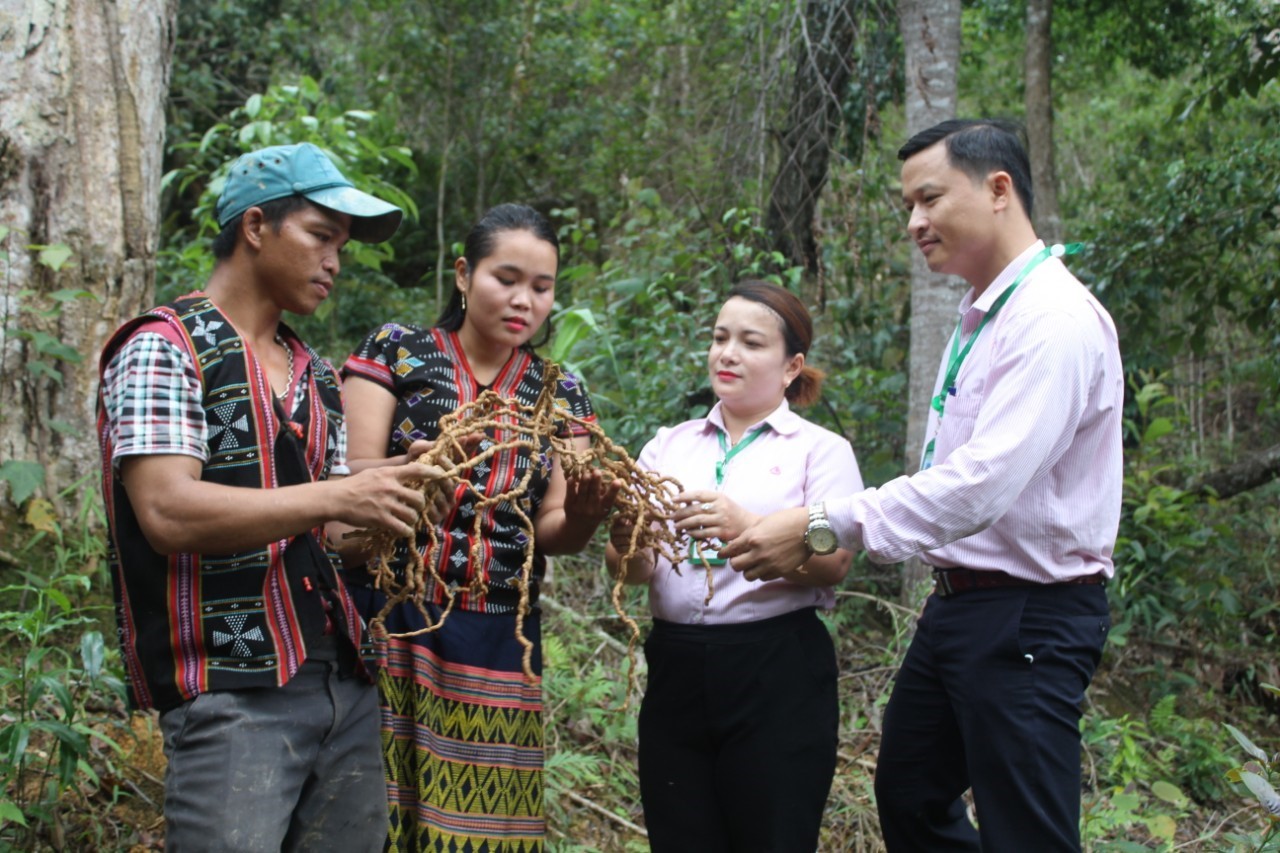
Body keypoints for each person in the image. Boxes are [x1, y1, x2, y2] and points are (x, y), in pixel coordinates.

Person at [721, 119, 1123, 851]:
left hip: (1029, 612)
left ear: (998, 188)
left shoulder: (1052, 320)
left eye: (929, 198)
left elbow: (978, 486)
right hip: (960, 607)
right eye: (908, 204)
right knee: (910, 789)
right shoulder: (985, 314)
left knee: (1025, 829)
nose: (915, 222)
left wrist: (823, 523)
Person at [97, 142, 444, 851]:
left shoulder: (315, 374)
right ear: (256, 227)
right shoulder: (165, 347)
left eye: (341, 245)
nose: (334, 262)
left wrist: (398, 504)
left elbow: (332, 536)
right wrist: (338, 494)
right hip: (231, 691)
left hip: (341, 683)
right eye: (321, 237)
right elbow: (165, 509)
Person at [338, 202, 618, 852]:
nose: (524, 300)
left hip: (501, 639)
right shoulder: (398, 352)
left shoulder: (560, 392)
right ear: (464, 274)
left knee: (485, 835)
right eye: (506, 278)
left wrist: (586, 511)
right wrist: (412, 480)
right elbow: (351, 485)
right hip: (389, 619)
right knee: (368, 821)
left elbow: (556, 527)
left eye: (542, 288)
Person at [605, 280, 863, 851]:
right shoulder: (668, 446)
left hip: (777, 667)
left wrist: (746, 526)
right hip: (676, 667)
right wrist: (627, 540)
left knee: (773, 837)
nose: (728, 353)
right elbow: (631, 568)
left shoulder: (818, 451)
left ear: (792, 365)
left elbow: (836, 557)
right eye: (721, 338)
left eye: (750, 342)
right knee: (681, 836)